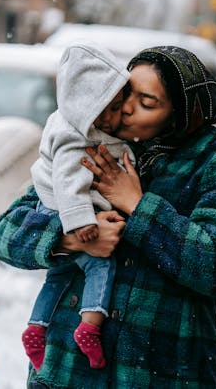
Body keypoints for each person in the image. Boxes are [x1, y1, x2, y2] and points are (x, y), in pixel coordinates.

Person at [0, 45, 216, 388]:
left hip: (161, 375)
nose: (126, 109)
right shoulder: (89, 139)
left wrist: (137, 205)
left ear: (181, 114)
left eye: (147, 103)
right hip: (67, 373)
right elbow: (5, 235)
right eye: (125, 94)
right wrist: (73, 237)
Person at [22, 43, 134, 372]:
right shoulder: (76, 136)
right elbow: (69, 181)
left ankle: (35, 326)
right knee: (101, 264)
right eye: (111, 109)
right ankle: (90, 326)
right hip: (64, 211)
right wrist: (80, 225)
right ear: (90, 108)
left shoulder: (71, 122)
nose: (118, 117)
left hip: (55, 209)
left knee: (57, 277)